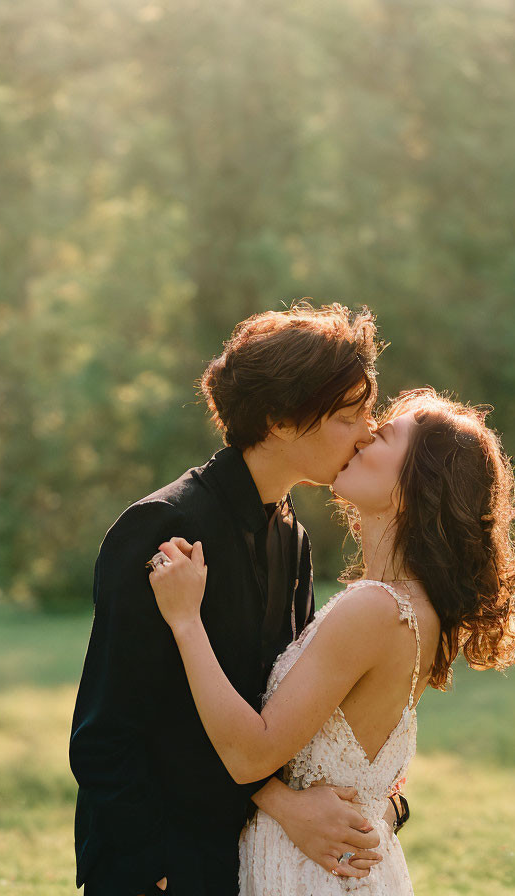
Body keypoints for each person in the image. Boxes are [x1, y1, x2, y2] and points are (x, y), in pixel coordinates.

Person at [149, 387, 515, 894]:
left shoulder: (376, 609)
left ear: (414, 485)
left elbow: (250, 755)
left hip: (313, 873)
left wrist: (185, 621)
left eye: (381, 435)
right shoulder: (414, 607)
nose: (360, 440)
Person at [70, 302, 403, 896]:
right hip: (156, 861)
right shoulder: (159, 527)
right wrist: (155, 867)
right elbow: (105, 734)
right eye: (350, 416)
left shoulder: (292, 538)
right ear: (279, 419)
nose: (367, 432)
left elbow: (270, 713)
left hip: (244, 853)